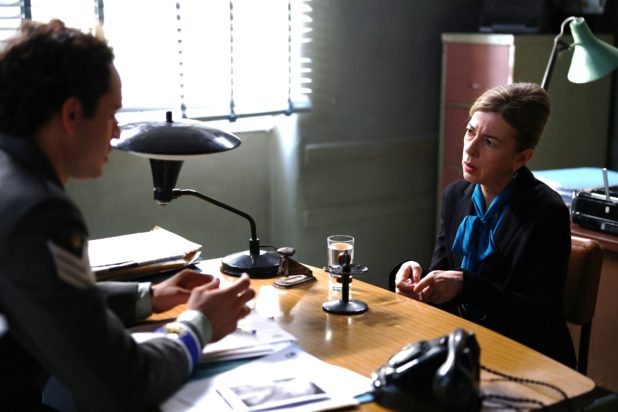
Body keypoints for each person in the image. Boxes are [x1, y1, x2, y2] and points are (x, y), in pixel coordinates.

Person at [0, 20, 256, 411]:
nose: (117, 132)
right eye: (111, 115)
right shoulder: (38, 212)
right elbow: (125, 386)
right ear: (72, 114)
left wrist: (148, 296)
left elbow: (51, 295)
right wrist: (199, 325)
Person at [394, 82, 576, 367]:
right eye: (470, 131)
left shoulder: (547, 211)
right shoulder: (455, 195)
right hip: (465, 347)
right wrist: (413, 279)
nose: (470, 149)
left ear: (521, 158)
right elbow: (443, 277)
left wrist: (466, 286)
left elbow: (540, 315)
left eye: (489, 142)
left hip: (529, 358)